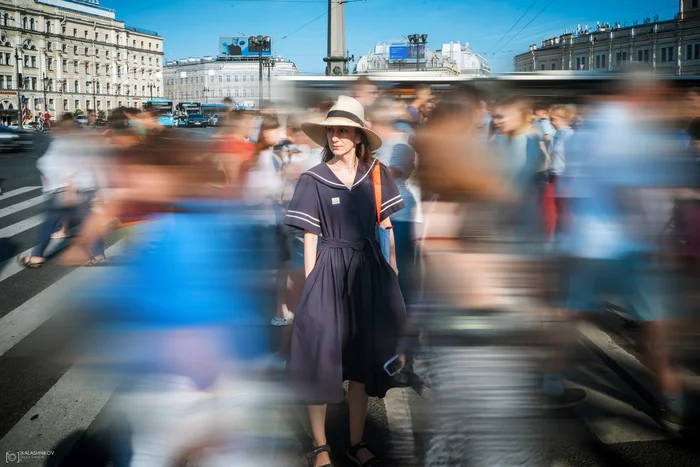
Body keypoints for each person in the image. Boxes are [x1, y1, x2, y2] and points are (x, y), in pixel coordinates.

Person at [284, 96, 406, 467]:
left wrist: (393, 274)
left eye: (342, 131)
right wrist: (309, 288)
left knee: (361, 362)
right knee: (320, 357)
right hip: (328, 269)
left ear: (358, 135)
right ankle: (321, 447)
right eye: (331, 131)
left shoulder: (378, 174)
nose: (334, 137)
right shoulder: (312, 179)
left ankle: (356, 442)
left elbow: (387, 227)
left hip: (369, 271)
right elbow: (308, 238)